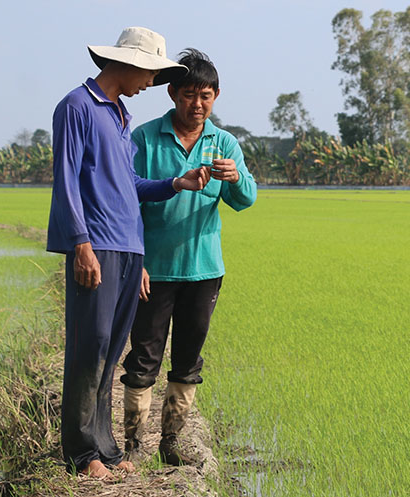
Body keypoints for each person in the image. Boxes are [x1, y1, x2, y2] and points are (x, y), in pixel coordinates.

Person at [46, 28, 210, 479]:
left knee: (111, 349)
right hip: (96, 246)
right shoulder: (77, 107)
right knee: (88, 346)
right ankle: (82, 454)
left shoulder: (120, 116)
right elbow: (66, 180)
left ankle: (105, 446)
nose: (153, 83)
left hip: (128, 248)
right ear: (131, 63)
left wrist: (176, 183)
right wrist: (80, 244)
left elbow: (128, 186)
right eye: (153, 73)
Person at [119, 48, 257, 465]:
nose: (197, 105)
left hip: (203, 270)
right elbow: (128, 199)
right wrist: (136, 261)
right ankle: (133, 443)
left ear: (216, 96)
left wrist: (234, 179)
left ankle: (172, 441)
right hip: (153, 270)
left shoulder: (225, 142)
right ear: (172, 94)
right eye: (189, 95)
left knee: (188, 359)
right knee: (144, 357)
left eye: (207, 96)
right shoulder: (144, 137)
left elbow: (246, 199)